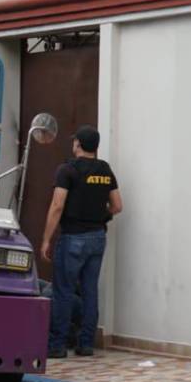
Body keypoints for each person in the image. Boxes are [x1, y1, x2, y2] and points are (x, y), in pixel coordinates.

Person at [40, 125, 123, 359]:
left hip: (72, 238)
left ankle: (56, 345)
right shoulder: (105, 170)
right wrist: (101, 216)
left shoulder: (67, 170)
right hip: (98, 238)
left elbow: (57, 206)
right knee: (89, 291)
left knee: (63, 291)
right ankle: (86, 344)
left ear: (77, 144)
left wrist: (46, 239)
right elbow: (117, 206)